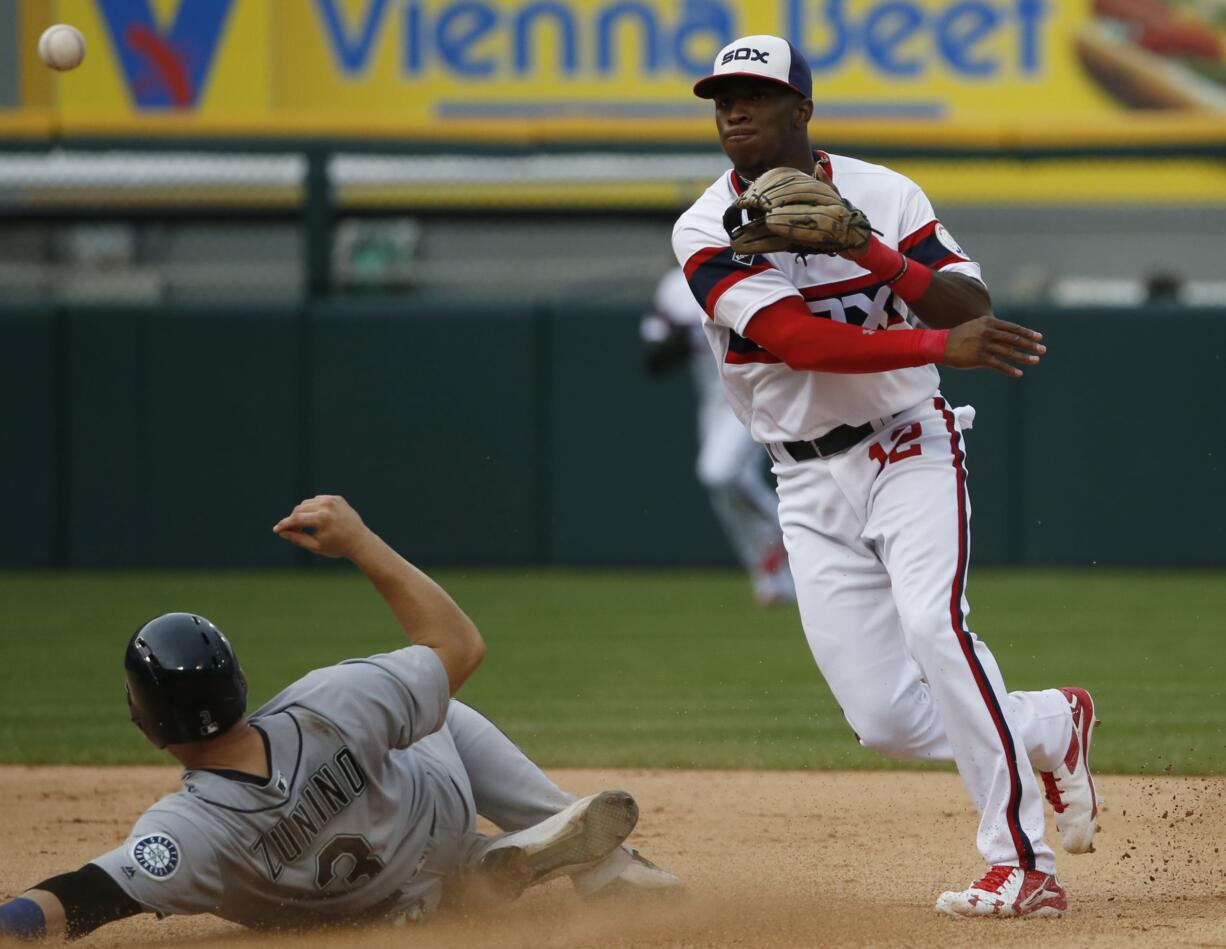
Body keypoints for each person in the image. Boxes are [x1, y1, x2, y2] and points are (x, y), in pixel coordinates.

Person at [672, 35, 1099, 919]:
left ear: (803, 110)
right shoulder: (704, 224)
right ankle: (1050, 724)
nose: (733, 111)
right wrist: (937, 346)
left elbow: (969, 303)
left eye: (753, 94)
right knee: (887, 720)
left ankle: (1021, 863)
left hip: (909, 441)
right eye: (722, 97)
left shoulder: (884, 192)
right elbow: (797, 341)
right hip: (803, 479)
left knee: (936, 627)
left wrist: (867, 247)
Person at [0, 495, 678, 941]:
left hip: (368, 902)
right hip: (432, 806)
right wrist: (358, 540)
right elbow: (458, 644)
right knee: (436, 713)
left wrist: (13, 917)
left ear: (149, 727)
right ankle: (589, 856)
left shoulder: (188, 831)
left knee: (407, 864)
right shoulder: (332, 701)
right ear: (238, 682)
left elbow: (83, 895)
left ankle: (474, 870)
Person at [641, 266, 796, 605]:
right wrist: (686, 328)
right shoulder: (675, 287)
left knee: (719, 473)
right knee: (726, 493)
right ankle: (773, 579)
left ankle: (790, 528)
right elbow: (654, 360)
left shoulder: (750, 270)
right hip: (713, 403)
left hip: (756, 393)